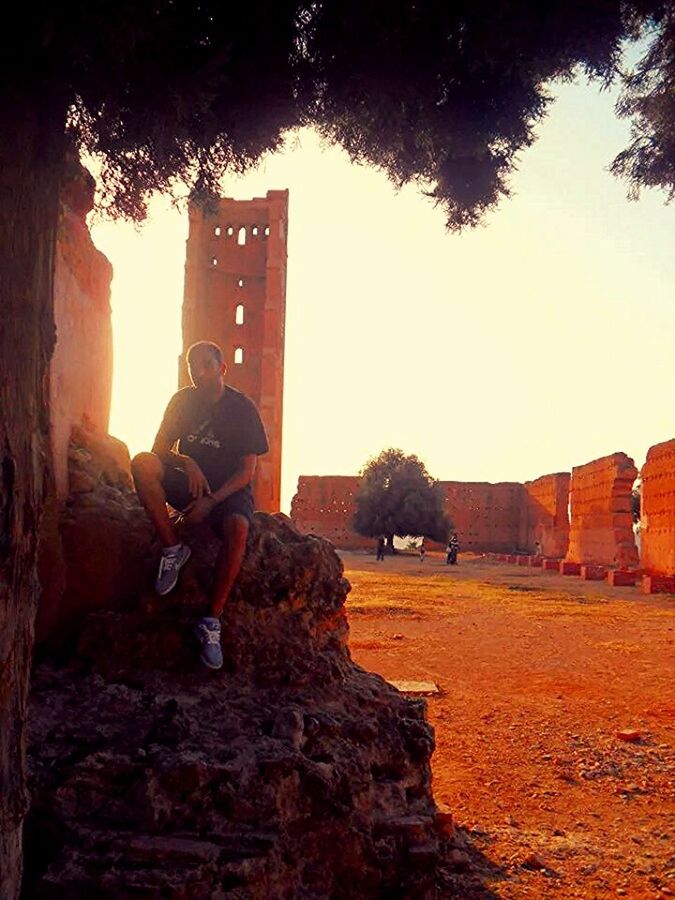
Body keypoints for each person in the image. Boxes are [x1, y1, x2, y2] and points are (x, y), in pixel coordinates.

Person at [131, 340, 269, 670]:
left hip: (227, 490)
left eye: (206, 365)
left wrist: (212, 501)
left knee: (238, 528)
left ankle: (211, 620)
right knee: (143, 463)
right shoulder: (182, 401)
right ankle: (172, 549)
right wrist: (187, 461)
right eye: (193, 367)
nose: (199, 372)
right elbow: (159, 449)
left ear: (222, 368)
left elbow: (247, 470)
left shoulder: (242, 408)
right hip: (189, 482)